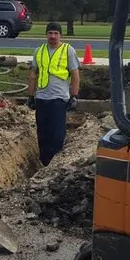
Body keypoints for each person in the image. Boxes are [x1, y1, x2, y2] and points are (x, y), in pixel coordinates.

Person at [27, 22, 81, 166]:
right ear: (46, 35)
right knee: (42, 133)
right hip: (41, 98)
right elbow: (33, 74)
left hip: (59, 99)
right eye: (50, 33)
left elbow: (75, 75)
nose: (53, 36)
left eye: (56, 33)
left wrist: (74, 96)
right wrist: (31, 96)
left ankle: (55, 163)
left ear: (60, 35)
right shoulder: (39, 51)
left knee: (56, 134)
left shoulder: (68, 50)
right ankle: (44, 162)